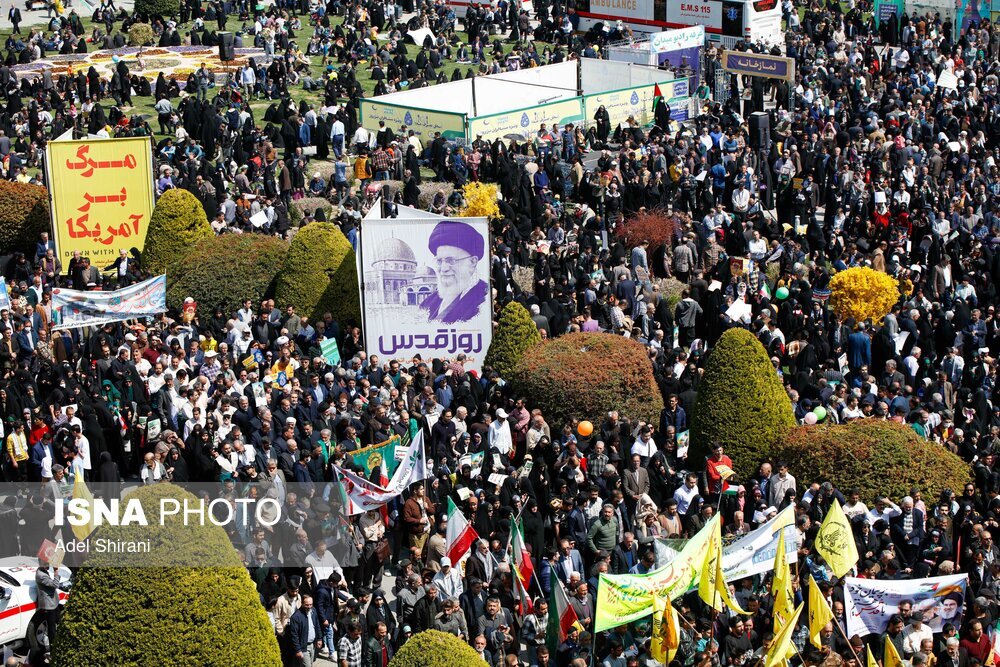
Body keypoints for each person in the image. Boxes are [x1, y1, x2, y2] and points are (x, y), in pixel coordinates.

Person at [419, 220, 489, 324]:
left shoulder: (484, 300)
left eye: (451, 260)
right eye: (439, 261)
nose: (443, 268)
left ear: (473, 262)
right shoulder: (427, 304)